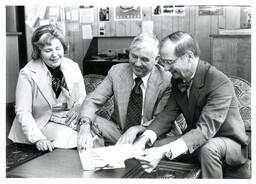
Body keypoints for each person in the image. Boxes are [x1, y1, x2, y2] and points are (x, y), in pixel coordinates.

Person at [134, 31, 249, 178]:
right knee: (156, 145)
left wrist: (164, 152)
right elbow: (167, 114)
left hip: (229, 144)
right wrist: (144, 138)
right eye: (163, 62)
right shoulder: (177, 80)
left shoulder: (219, 81)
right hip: (196, 140)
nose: (166, 69)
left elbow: (205, 130)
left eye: (169, 62)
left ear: (188, 57)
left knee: (209, 148)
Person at [77, 33, 172, 150]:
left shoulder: (167, 79)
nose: (137, 63)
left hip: (150, 135)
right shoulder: (117, 71)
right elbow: (93, 100)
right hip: (119, 133)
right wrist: (85, 125)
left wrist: (136, 129)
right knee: (88, 119)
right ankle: (98, 163)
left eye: (144, 59)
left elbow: (162, 119)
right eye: (134, 56)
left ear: (156, 59)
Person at [8, 24, 86, 151]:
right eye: (48, 51)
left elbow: (82, 97)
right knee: (71, 138)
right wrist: (38, 138)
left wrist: (78, 106)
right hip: (39, 124)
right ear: (38, 52)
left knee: (92, 134)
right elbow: (23, 111)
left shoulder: (72, 66)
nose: (55, 55)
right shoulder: (27, 73)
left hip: (65, 119)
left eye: (58, 48)